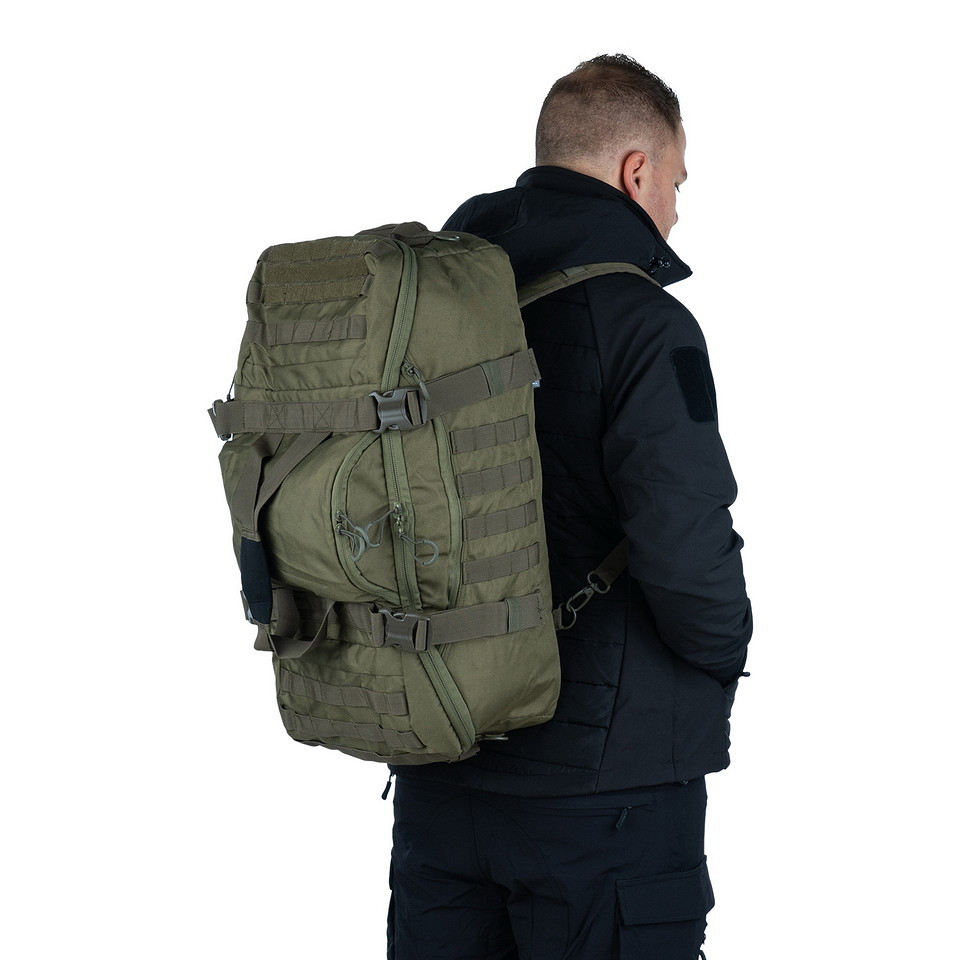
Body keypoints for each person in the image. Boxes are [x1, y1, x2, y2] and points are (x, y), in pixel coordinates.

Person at [387, 54, 752, 960]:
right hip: (609, 792)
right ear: (636, 170)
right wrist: (720, 662)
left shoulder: (425, 314)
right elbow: (686, 546)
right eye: (676, 183)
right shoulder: (642, 322)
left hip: (442, 757)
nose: (676, 210)